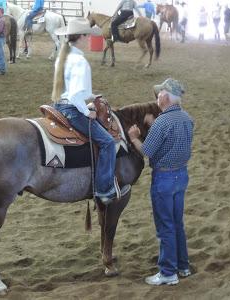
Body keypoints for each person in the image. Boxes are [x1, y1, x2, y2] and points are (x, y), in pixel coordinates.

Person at [52, 18, 131, 205]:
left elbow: (72, 90)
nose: (88, 39)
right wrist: (88, 113)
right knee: (108, 143)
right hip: (72, 108)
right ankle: (104, 190)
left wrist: (91, 95)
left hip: (59, 105)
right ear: (81, 37)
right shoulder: (80, 61)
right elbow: (76, 96)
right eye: (87, 36)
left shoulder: (63, 56)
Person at [128, 78, 194, 286]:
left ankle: (167, 272)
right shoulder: (186, 118)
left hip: (163, 179)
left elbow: (146, 151)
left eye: (159, 94)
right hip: (181, 175)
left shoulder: (162, 123)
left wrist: (134, 137)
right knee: (177, 223)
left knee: (164, 226)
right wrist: (154, 125)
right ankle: (183, 266)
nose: (157, 97)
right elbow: (172, 136)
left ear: (165, 97)